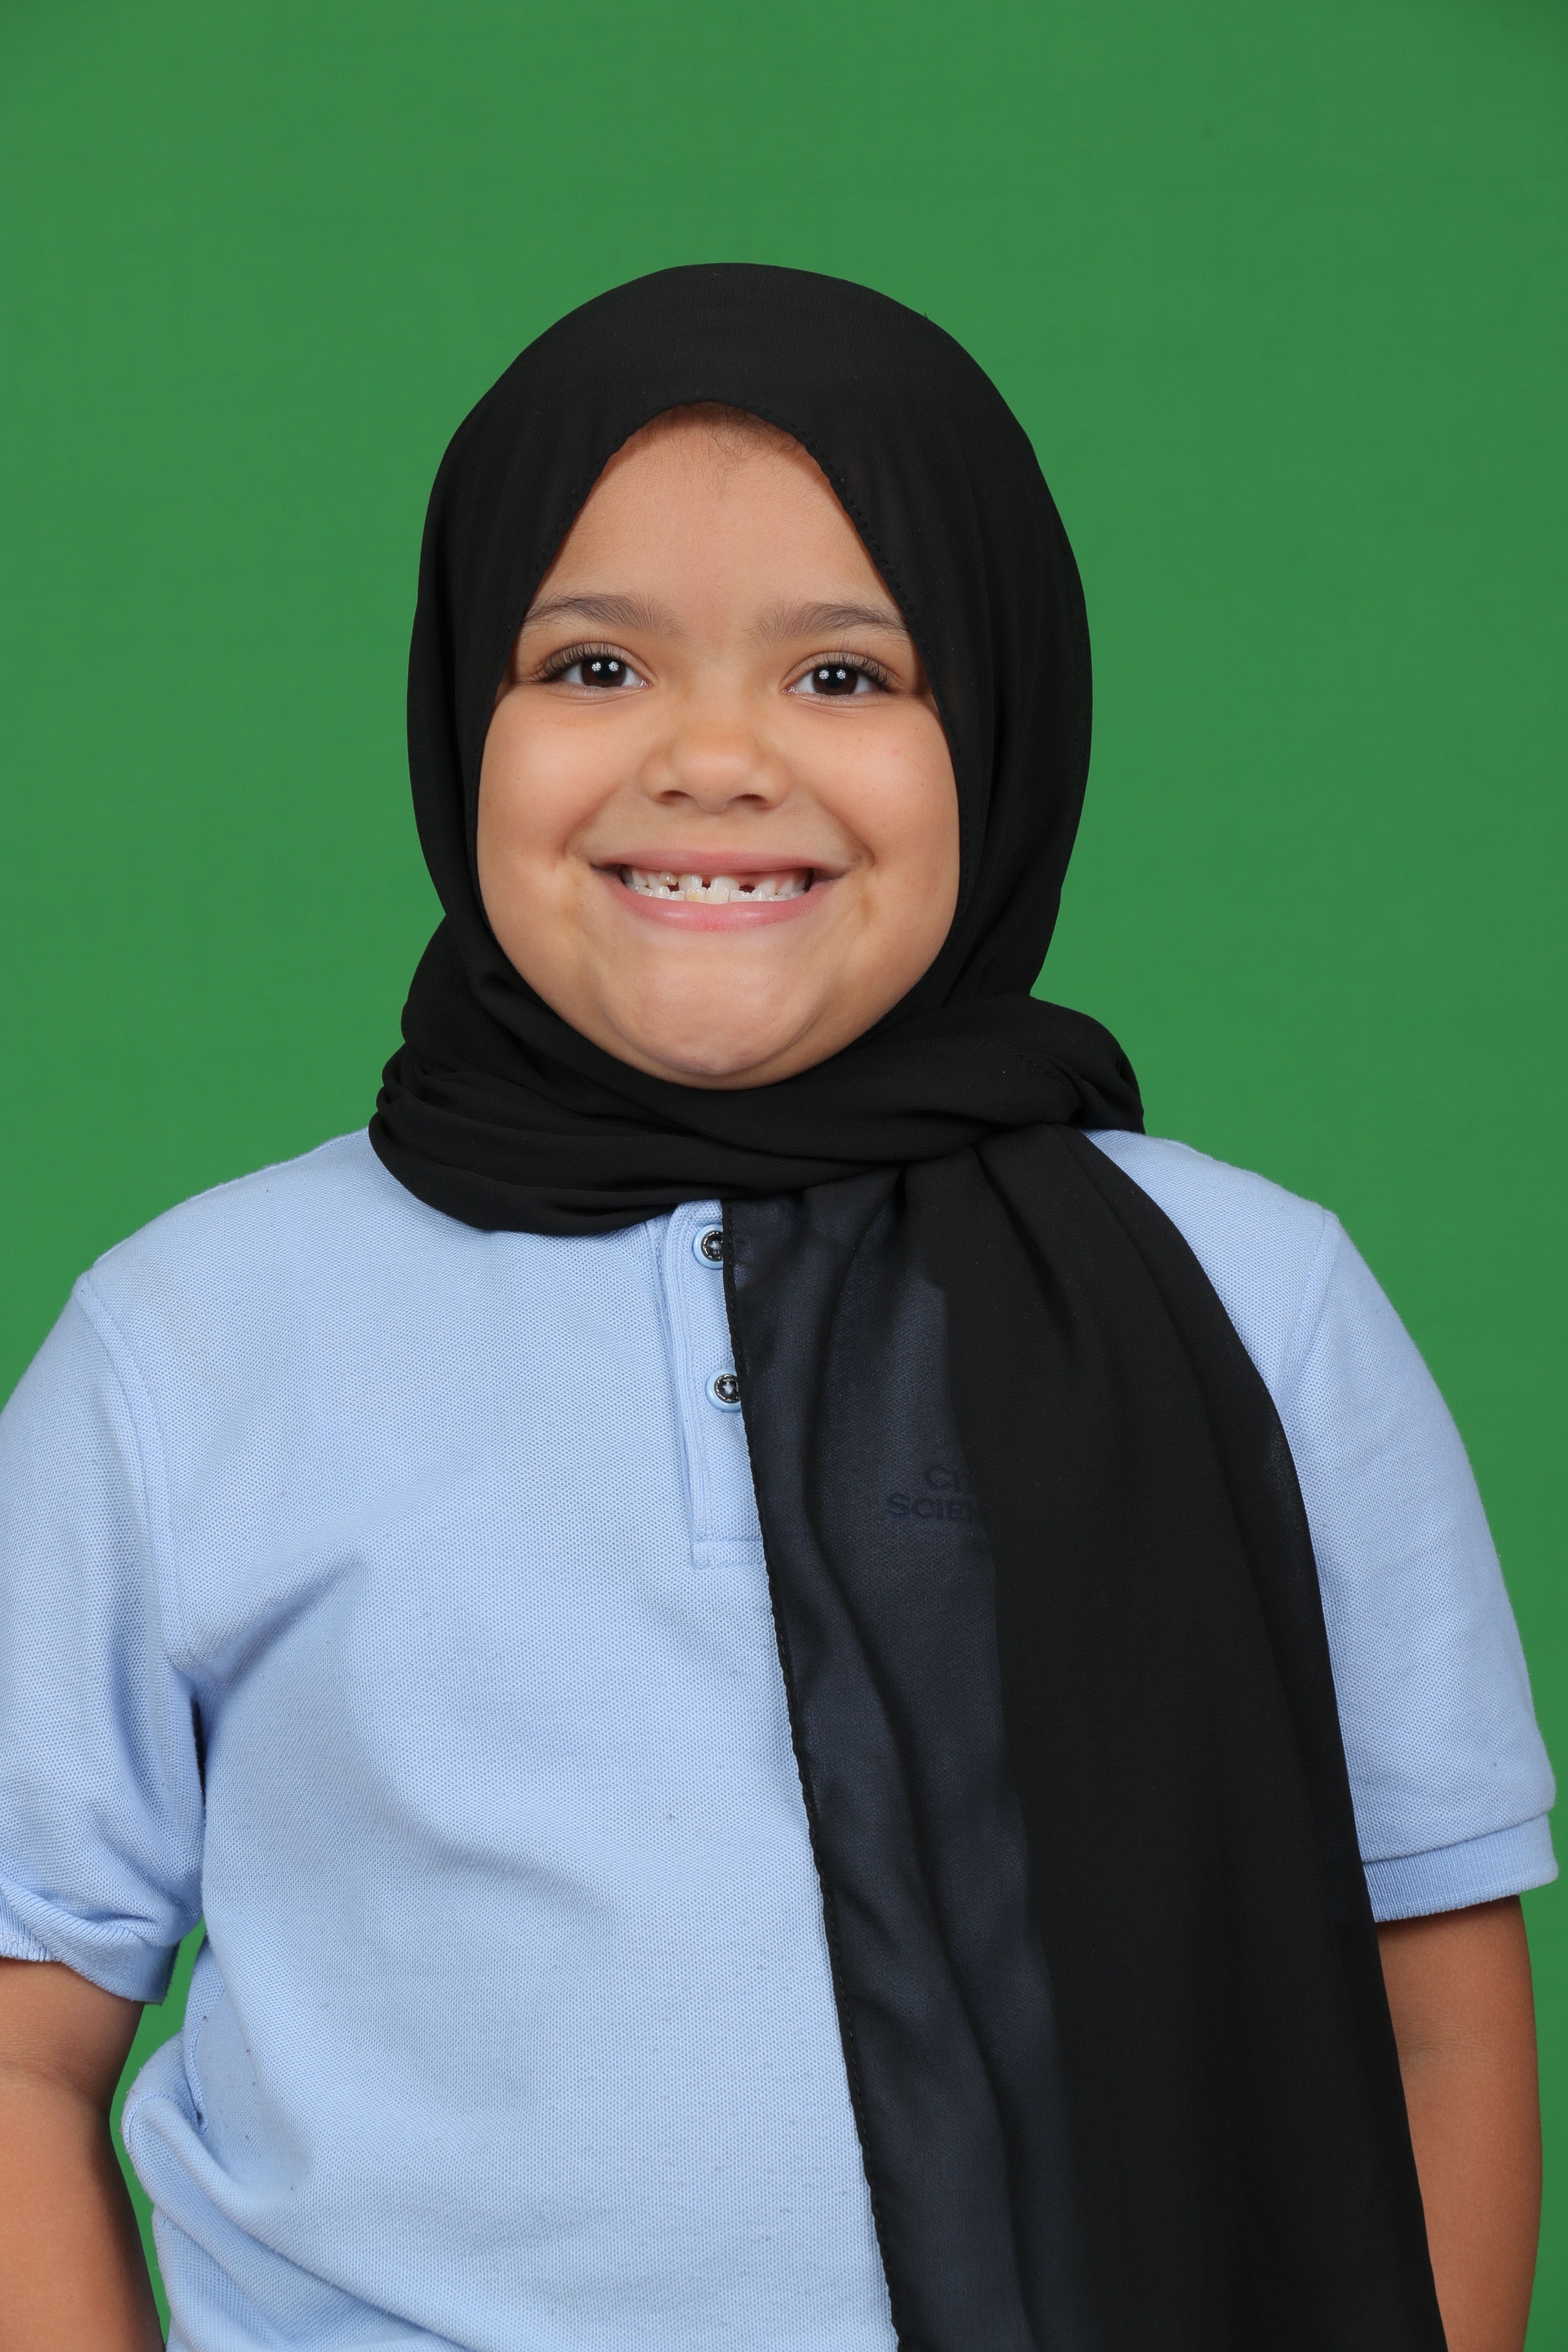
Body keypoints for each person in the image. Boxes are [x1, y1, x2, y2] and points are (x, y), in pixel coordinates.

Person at [0, 265, 1553, 2352]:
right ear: (461, 710)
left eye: (843, 673)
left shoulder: (1254, 1305)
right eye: (594, 663)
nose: (716, 759)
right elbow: (21, 2052)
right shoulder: (190, 1343)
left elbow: (1434, 2027)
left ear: (1000, 719)